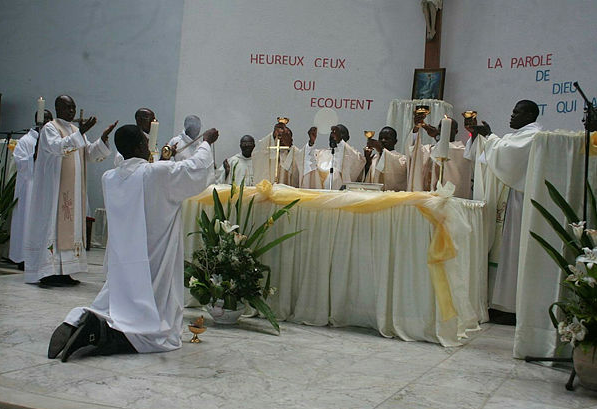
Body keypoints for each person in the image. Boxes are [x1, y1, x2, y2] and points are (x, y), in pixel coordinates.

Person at [48, 124, 219, 361]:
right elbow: (195, 169)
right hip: (155, 252)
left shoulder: (110, 178)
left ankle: (77, 320)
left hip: (125, 256)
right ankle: (106, 335)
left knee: (116, 299)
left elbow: (153, 175)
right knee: (154, 323)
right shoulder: (154, 173)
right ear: (140, 146)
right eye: (145, 144)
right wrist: (206, 143)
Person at [24, 95, 117, 287]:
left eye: (73, 107)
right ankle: (49, 272)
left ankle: (65, 271)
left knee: (71, 228)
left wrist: (102, 140)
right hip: (55, 190)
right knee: (54, 226)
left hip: (73, 191)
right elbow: (58, 147)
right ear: (58, 108)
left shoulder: (75, 130)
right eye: (68, 108)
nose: (72, 111)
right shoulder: (50, 128)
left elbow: (88, 153)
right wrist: (80, 133)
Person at [474, 100, 542, 323]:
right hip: (510, 200)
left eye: (517, 112)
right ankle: (499, 302)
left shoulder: (534, 135)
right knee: (504, 251)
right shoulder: (517, 135)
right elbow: (492, 157)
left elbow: (507, 154)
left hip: (521, 202)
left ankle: (512, 306)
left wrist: (491, 136)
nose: (512, 116)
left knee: (514, 251)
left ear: (531, 114)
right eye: (512, 111)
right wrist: (483, 138)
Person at [9, 109, 53, 269]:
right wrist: (33, 158)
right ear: (38, 120)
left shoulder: (52, 139)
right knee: (27, 220)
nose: (47, 121)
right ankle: (23, 257)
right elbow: (20, 163)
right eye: (45, 118)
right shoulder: (26, 141)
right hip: (30, 187)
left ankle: (41, 257)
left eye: (50, 119)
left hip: (46, 187)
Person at [304, 124, 365, 190]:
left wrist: (340, 142)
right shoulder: (319, 153)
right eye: (332, 133)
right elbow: (307, 162)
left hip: (339, 197)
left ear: (347, 137)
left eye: (339, 133)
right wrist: (311, 143)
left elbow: (357, 164)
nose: (334, 136)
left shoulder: (352, 154)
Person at [252, 122, 301, 186]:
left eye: (285, 136)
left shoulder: (295, 153)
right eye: (279, 135)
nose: (281, 138)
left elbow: (298, 168)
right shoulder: (268, 148)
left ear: (290, 138)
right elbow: (258, 151)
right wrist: (273, 134)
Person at [363, 126, 407, 191]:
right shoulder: (374, 158)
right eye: (380, 138)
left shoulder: (401, 159)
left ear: (395, 141)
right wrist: (367, 161)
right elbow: (367, 179)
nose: (383, 140)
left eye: (387, 138)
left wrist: (381, 150)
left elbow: (397, 177)